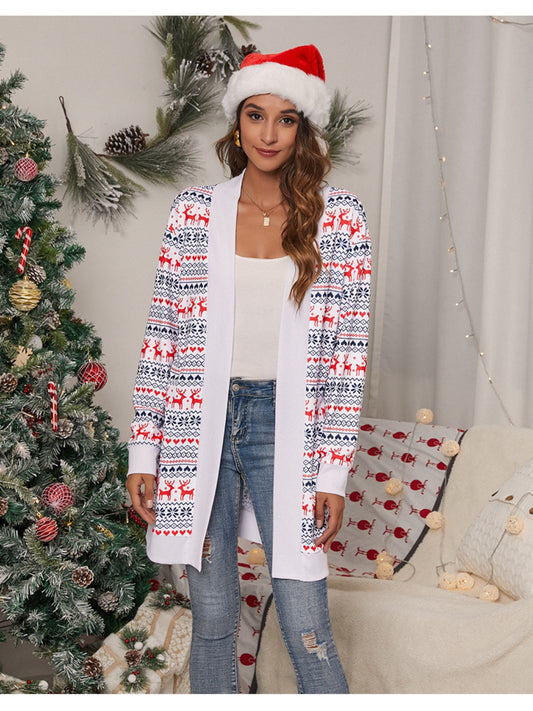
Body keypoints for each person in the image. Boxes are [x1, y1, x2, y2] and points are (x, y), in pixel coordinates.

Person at [126, 44, 371, 694]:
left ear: (303, 128)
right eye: (255, 115)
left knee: (305, 620)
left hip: (286, 430)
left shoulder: (340, 218)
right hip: (194, 428)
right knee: (211, 615)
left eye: (285, 119)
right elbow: (162, 337)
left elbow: (347, 357)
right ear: (237, 122)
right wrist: (144, 452)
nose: (268, 133)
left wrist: (333, 471)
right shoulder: (194, 212)